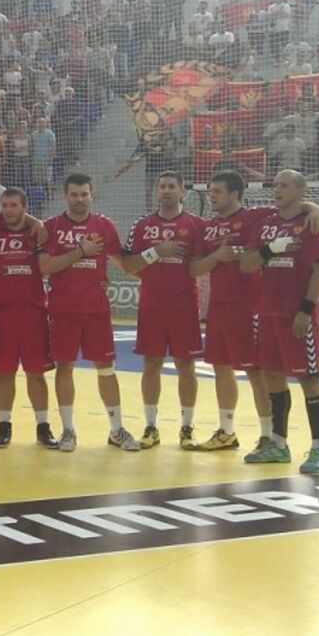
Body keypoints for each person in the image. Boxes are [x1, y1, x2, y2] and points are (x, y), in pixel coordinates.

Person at [189, 171, 319, 454]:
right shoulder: (208, 227)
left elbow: (295, 207)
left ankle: (269, 436)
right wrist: (217, 257)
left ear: (235, 194)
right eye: (210, 191)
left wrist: (315, 208)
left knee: (257, 371)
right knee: (221, 367)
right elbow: (194, 269)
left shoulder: (257, 217)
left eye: (217, 191)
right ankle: (227, 431)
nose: (211, 196)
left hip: (251, 306)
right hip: (218, 307)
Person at [240, 170, 319, 474]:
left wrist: (305, 310)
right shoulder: (265, 224)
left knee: (309, 379)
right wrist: (271, 249)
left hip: (297, 315)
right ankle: (279, 444)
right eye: (275, 184)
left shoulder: (313, 223)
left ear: (301, 190)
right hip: (268, 313)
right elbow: (246, 264)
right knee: (273, 377)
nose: (277, 189)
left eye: (284, 185)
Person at [39, 173, 140, 452]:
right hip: (63, 310)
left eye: (84, 194)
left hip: (96, 311)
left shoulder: (104, 225)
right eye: (74, 194)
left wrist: (154, 270)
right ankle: (68, 430)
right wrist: (80, 251)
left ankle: (116, 430)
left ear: (92, 195)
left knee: (106, 368)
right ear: (65, 196)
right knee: (65, 367)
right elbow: (45, 266)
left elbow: (123, 263)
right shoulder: (53, 226)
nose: (80, 199)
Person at [120, 171, 203, 450]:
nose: (166, 190)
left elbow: (200, 264)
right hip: (152, 305)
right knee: (151, 364)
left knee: (186, 365)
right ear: (157, 191)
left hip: (184, 306)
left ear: (183, 191)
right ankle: (151, 427)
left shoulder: (195, 225)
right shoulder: (142, 225)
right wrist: (157, 251)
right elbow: (128, 265)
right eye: (162, 186)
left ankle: (187, 428)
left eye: (171, 186)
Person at [0, 187, 60, 449]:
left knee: (36, 373)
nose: (9, 210)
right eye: (5, 205)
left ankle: (43, 426)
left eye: (14, 205)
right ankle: (4, 425)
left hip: (33, 312)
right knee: (4, 372)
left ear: (24, 208)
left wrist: (35, 222)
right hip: (1, 312)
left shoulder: (38, 232)